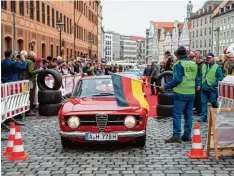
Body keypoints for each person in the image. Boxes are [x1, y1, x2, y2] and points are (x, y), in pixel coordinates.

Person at [160, 46, 198, 143]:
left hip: (181, 93)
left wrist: (166, 86)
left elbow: (177, 80)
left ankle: (176, 136)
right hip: (191, 93)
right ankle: (187, 135)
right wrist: (197, 86)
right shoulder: (193, 64)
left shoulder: (178, 64)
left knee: (177, 114)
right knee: (188, 115)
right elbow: (197, 78)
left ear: (178, 56)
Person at [198, 53, 223, 122]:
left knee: (213, 101)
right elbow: (199, 76)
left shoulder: (217, 67)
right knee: (203, 102)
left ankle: (218, 113)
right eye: (207, 58)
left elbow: (220, 78)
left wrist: (213, 85)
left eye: (209, 58)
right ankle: (204, 116)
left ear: (213, 58)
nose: (208, 59)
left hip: (212, 88)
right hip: (204, 87)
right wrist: (199, 84)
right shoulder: (203, 66)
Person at [26, 51, 43, 116]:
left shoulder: (27, 61)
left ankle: (28, 110)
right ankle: (30, 110)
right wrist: (39, 70)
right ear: (32, 56)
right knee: (31, 95)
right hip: (30, 81)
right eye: (34, 56)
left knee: (28, 95)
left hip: (27, 80)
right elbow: (31, 72)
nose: (35, 57)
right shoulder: (30, 62)